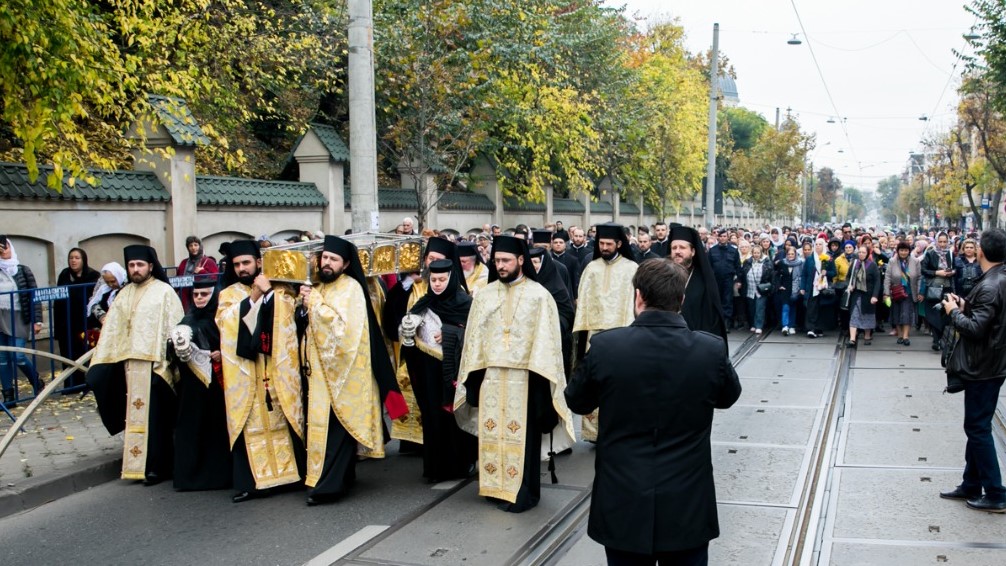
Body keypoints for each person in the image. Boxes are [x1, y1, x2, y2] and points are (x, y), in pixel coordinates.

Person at [564, 259, 742, 565]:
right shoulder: (709, 350)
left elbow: (577, 401)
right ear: (681, 301)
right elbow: (728, 397)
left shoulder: (607, 347)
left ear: (638, 297)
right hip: (687, 501)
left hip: (624, 497)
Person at [454, 235, 575, 513]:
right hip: (491, 379)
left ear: (521, 260)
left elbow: (548, 344)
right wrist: (473, 380)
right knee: (491, 434)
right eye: (497, 261)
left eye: (506, 260)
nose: (501, 266)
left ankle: (523, 492)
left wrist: (544, 385)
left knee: (523, 438)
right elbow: (473, 341)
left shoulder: (539, 296)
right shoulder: (484, 296)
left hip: (527, 381)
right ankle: (494, 487)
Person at [301, 236, 407, 505]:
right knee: (329, 430)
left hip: (345, 372)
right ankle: (342, 477)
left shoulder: (350, 289)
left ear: (346, 264)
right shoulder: (321, 287)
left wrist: (313, 303)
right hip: (322, 372)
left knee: (337, 429)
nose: (327, 263)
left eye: (333, 260)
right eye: (324, 257)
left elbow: (341, 331)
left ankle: (328, 487)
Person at [216, 240, 305, 503]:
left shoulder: (281, 289)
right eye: (237, 264)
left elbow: (289, 317)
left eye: (246, 262)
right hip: (246, 375)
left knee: (283, 414)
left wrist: (269, 294)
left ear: (258, 262)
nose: (242, 268)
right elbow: (225, 323)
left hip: (276, 371)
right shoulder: (228, 294)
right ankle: (251, 483)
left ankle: (294, 476)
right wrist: (254, 296)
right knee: (248, 422)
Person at [86, 245, 184, 484]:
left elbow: (175, 325)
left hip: (155, 365)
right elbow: (112, 331)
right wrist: (102, 362)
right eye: (131, 265)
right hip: (129, 366)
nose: (136, 269)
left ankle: (156, 468)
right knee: (134, 417)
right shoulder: (124, 294)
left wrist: (168, 361)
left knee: (156, 419)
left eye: (140, 265)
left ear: (150, 266)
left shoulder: (164, 292)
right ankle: (136, 465)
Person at [939, 228, 1006, 512]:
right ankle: (971, 482)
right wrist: (966, 306)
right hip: (992, 362)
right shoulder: (998, 279)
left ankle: (995, 492)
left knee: (977, 427)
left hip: (985, 365)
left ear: (982, 251)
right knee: (977, 425)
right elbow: (988, 318)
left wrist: (953, 313)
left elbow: (977, 329)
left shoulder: (992, 284)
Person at [397, 257, 475, 484]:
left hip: (454, 371)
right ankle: (435, 468)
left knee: (454, 417)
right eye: (433, 280)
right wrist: (408, 329)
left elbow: (474, 334)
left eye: (442, 280)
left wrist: (450, 333)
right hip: (429, 372)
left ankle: (462, 463)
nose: (437, 284)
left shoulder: (464, 303)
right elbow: (407, 332)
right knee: (433, 417)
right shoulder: (424, 302)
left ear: (451, 280)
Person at [573, 223, 637, 442]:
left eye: (609, 244)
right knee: (595, 381)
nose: (604, 247)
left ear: (619, 244)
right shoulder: (591, 268)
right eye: (601, 243)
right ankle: (593, 433)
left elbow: (634, 302)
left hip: (621, 334)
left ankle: (619, 428)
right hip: (595, 335)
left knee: (618, 382)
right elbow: (583, 301)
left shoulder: (631, 268)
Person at [169, 277, 232, 491]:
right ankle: (189, 477)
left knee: (216, 430)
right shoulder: (187, 320)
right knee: (191, 428)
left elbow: (233, 343)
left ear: (214, 294)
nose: (199, 299)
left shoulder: (223, 319)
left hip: (217, 389)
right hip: (191, 390)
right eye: (195, 295)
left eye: (204, 294)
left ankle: (219, 476)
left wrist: (222, 354)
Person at [0, 236, 45, 407]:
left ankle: (36, 381)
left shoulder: (22, 270)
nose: (4, 251)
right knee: (2, 358)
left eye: (6, 248)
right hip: (0, 319)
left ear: (11, 248)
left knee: (17, 356)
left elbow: (34, 295)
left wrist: (38, 320)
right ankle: (9, 396)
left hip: (19, 317)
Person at [668, 225, 728, 341]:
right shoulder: (663, 277)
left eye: (682, 248)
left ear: (693, 251)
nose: (677, 251)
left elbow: (711, 318)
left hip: (694, 341)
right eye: (674, 248)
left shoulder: (704, 280)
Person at [53, 247, 101, 389]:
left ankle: (86, 383)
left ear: (83, 260)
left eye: (77, 258)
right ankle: (70, 385)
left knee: (84, 354)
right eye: (71, 258)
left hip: (84, 322)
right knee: (67, 355)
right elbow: (59, 299)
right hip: (66, 322)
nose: (73, 261)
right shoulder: (64, 274)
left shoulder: (92, 276)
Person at [528, 247, 576, 378]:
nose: (533, 265)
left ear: (543, 264)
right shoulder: (525, 285)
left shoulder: (556, 286)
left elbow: (567, 314)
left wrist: (550, 326)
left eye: (536, 262)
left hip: (552, 342)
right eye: (530, 262)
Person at [922, 232, 955, 350]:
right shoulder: (930, 253)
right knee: (933, 314)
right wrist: (937, 272)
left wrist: (952, 272)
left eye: (945, 242)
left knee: (945, 314)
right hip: (934, 289)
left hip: (947, 288)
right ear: (936, 241)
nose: (942, 244)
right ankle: (936, 340)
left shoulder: (951, 254)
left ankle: (940, 338)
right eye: (940, 241)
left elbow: (956, 268)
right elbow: (923, 270)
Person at [844, 246, 883, 347]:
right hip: (856, 294)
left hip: (868, 295)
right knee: (854, 315)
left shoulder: (872, 265)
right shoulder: (854, 264)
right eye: (860, 252)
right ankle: (852, 339)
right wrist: (850, 285)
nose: (861, 254)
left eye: (863, 252)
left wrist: (875, 296)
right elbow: (848, 277)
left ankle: (867, 335)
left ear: (867, 253)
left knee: (867, 315)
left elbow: (877, 282)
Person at [883, 242, 920, 346]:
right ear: (898, 251)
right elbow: (887, 277)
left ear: (909, 251)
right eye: (901, 250)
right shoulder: (892, 261)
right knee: (897, 314)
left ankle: (905, 336)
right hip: (896, 291)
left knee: (907, 314)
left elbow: (919, 277)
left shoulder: (915, 261)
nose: (903, 252)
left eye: (906, 250)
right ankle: (899, 335)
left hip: (909, 291)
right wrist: (886, 293)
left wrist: (919, 292)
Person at [799, 239, 836, 338]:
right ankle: (810, 328)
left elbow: (834, 272)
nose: (818, 246)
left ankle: (819, 328)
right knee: (811, 308)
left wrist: (826, 273)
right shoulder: (810, 259)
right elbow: (804, 274)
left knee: (822, 308)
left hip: (823, 288)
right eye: (816, 244)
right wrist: (802, 287)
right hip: (812, 287)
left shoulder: (829, 258)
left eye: (820, 244)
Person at [178, 235, 219, 312]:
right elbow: (178, 280)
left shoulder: (209, 262)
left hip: (201, 298)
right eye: (190, 245)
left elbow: (216, 278)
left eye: (196, 245)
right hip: (185, 299)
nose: (193, 248)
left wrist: (202, 272)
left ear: (200, 246)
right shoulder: (183, 263)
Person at [741, 244, 773, 334]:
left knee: (760, 308)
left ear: (761, 253)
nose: (756, 254)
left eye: (758, 253)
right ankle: (753, 324)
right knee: (751, 308)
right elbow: (743, 274)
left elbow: (770, 275)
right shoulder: (747, 262)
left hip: (761, 289)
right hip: (750, 289)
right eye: (754, 252)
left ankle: (759, 325)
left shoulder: (767, 262)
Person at [774, 247, 803, 336]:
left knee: (793, 307)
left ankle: (792, 326)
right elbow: (777, 275)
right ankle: (785, 326)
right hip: (785, 288)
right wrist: (779, 286)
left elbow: (802, 276)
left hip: (795, 289)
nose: (790, 256)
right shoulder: (782, 263)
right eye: (789, 254)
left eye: (792, 254)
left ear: (795, 254)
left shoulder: (800, 263)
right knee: (785, 307)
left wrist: (800, 288)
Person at [551, 231, 581, 299]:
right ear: (552, 244)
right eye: (556, 242)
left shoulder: (573, 260)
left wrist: (575, 297)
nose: (558, 244)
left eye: (561, 242)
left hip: (567, 293)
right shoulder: (549, 259)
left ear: (565, 245)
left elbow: (575, 280)